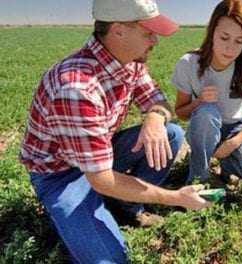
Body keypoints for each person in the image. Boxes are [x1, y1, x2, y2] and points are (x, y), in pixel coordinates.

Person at [19, 0, 210, 262]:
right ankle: (78, 210)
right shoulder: (76, 88)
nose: (155, 40)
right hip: (61, 174)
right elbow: (102, 179)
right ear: (118, 30)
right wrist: (175, 198)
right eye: (147, 32)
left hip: (98, 155)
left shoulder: (129, 61)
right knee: (112, 260)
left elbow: (158, 100)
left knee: (170, 133)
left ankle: (126, 204)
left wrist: (155, 117)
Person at [171, 0, 242, 185]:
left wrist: (233, 143)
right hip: (204, 127)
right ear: (212, 33)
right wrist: (199, 101)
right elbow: (181, 113)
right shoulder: (188, 63)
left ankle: (225, 162)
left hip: (236, 128)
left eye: (239, 41)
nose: (230, 48)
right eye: (224, 38)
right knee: (206, 112)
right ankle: (197, 177)